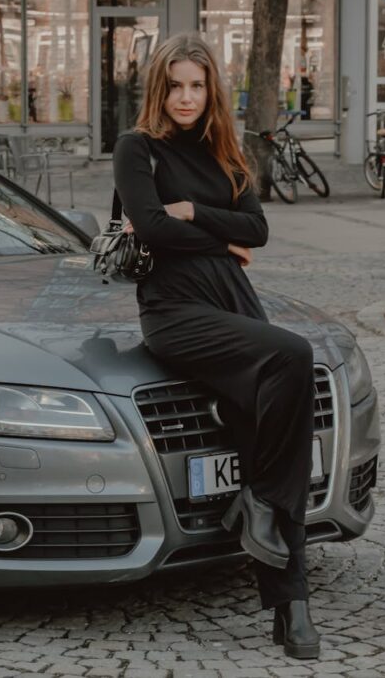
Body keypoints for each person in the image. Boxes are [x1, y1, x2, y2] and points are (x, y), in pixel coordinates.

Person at [112, 32, 320, 660]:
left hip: (234, 305)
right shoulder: (136, 148)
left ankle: (292, 608)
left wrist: (193, 216)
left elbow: (258, 228)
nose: (185, 97)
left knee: (266, 430)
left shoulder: (226, 152)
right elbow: (146, 227)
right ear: (159, 88)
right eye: (174, 85)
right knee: (294, 354)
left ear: (212, 91)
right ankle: (262, 513)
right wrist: (218, 237)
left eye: (196, 86)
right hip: (175, 312)